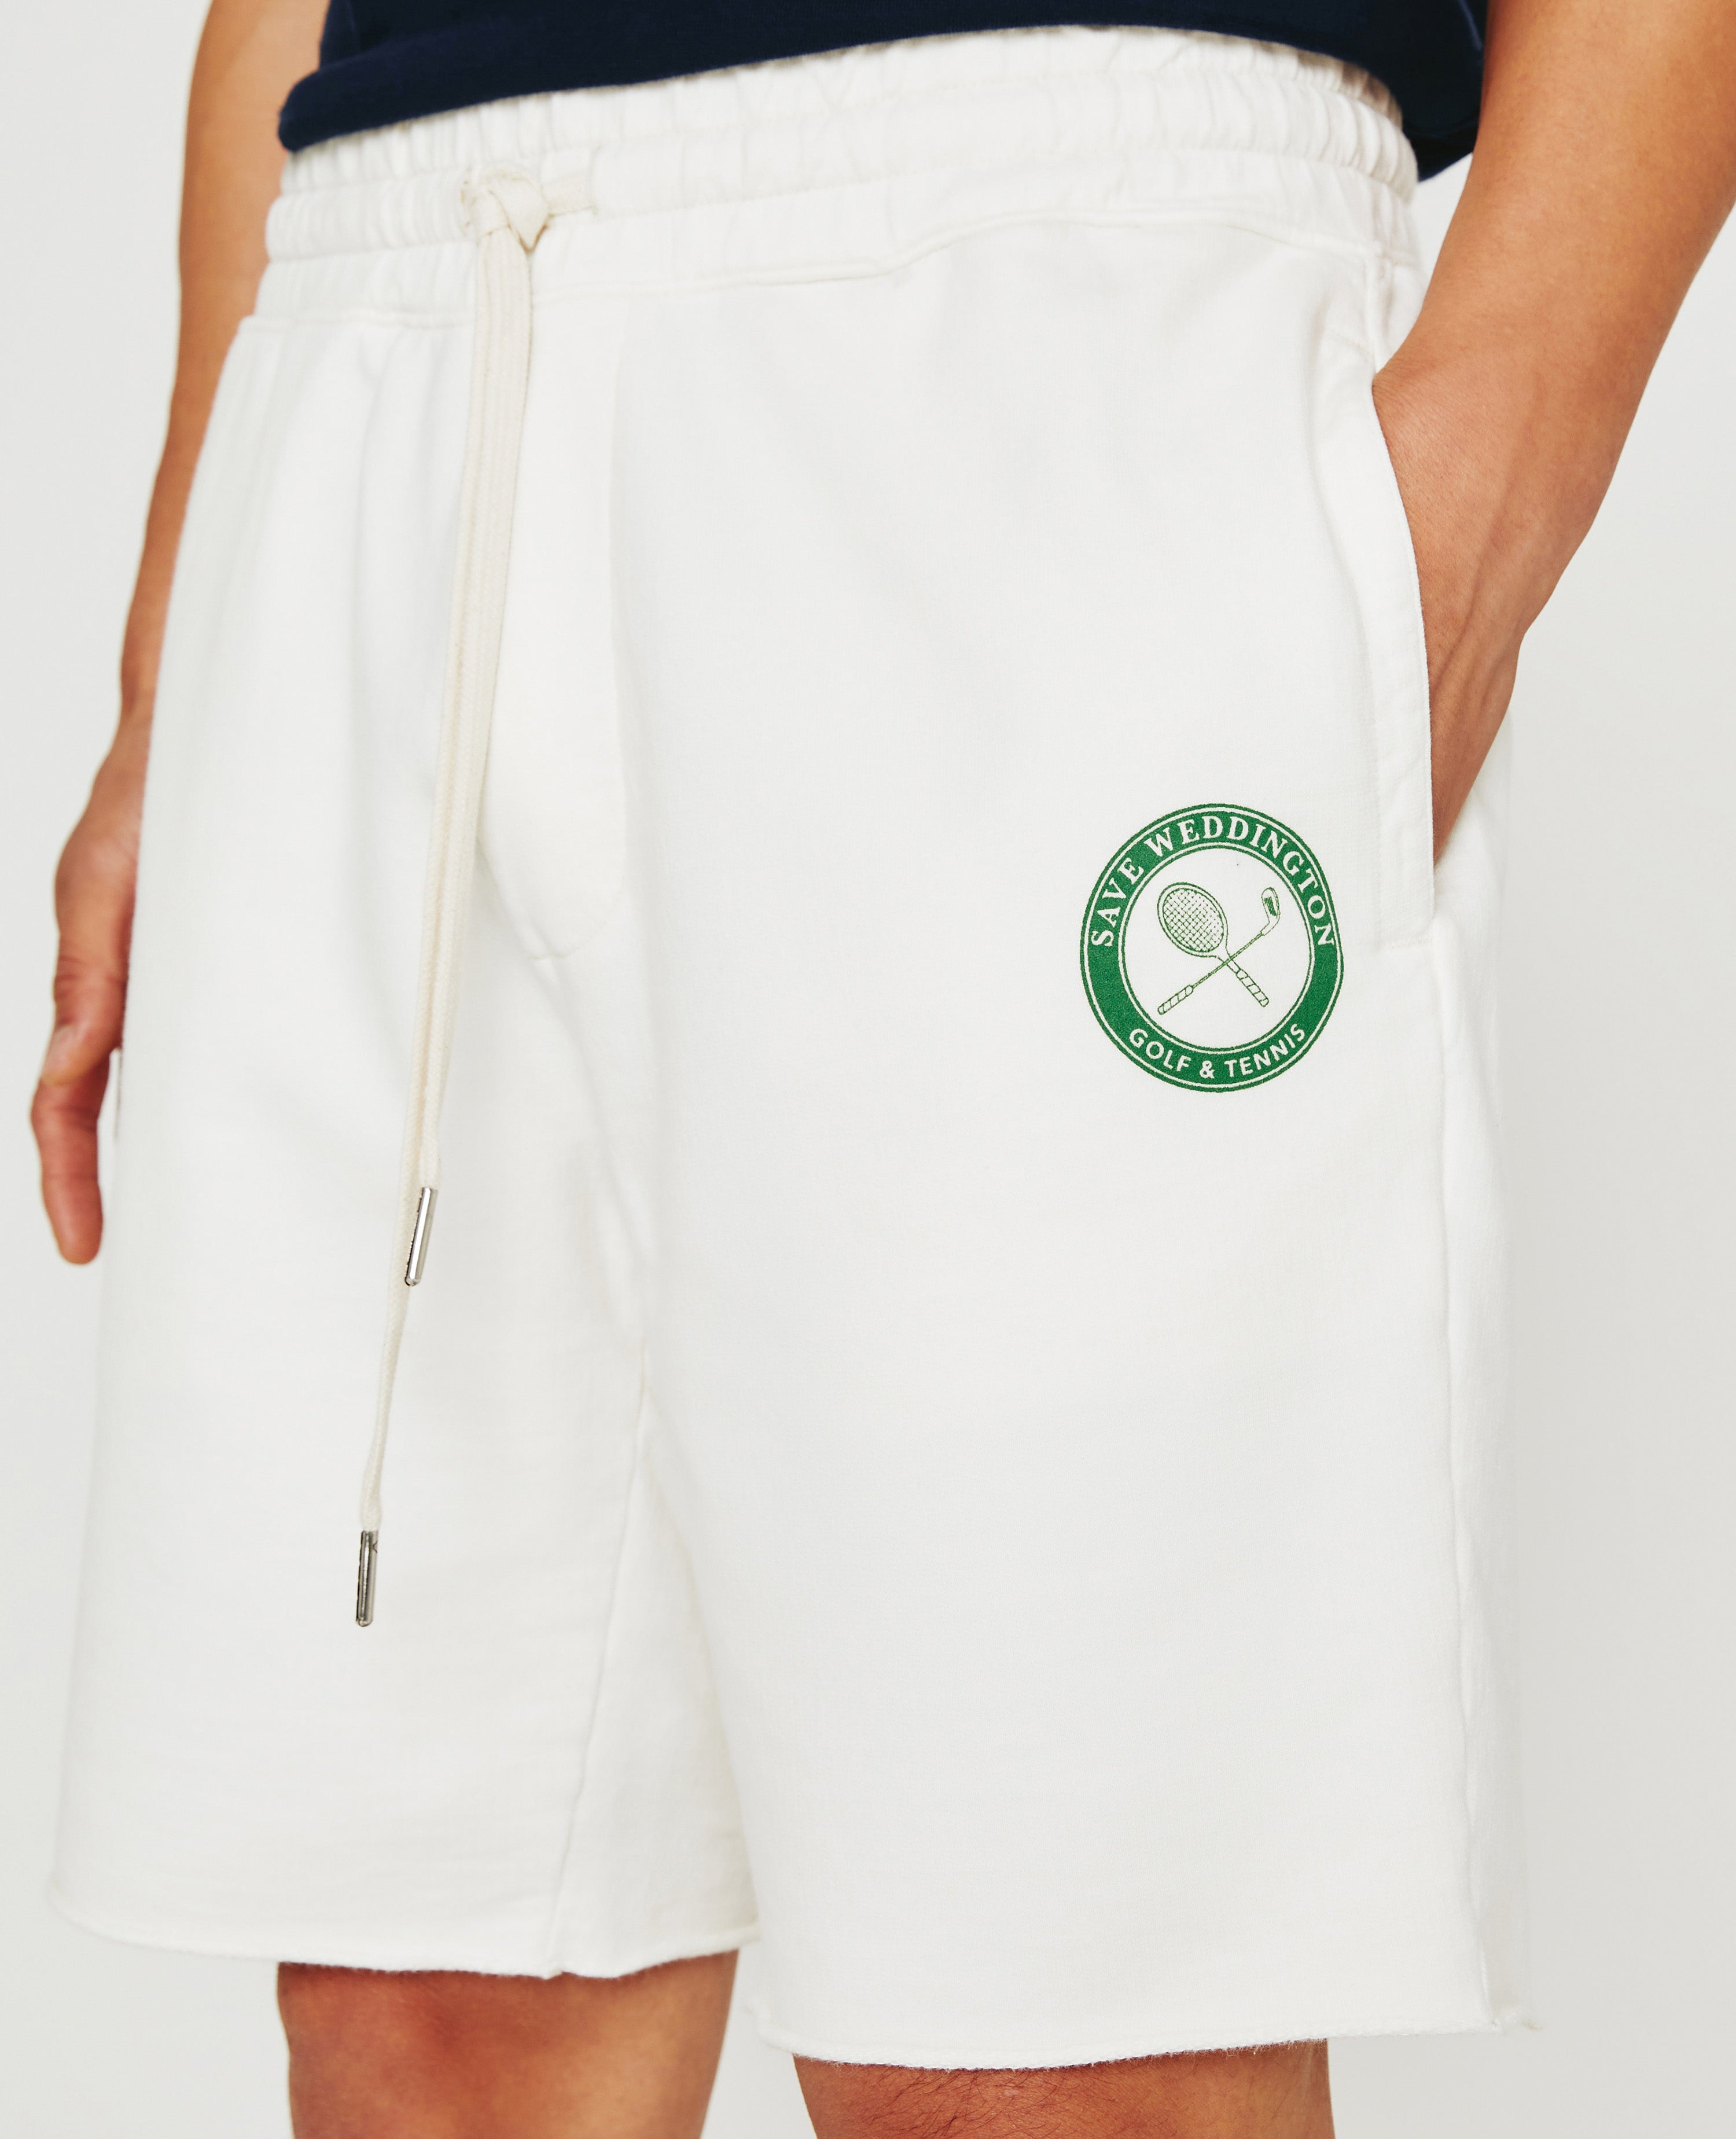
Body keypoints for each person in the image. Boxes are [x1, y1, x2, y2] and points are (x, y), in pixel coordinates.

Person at [31, 3, 1736, 2134]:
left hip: (1041, 277)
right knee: (431, 2012)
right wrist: (168, 682)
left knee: (1052, 2048)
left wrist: (1464, 517)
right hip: (384, 321)